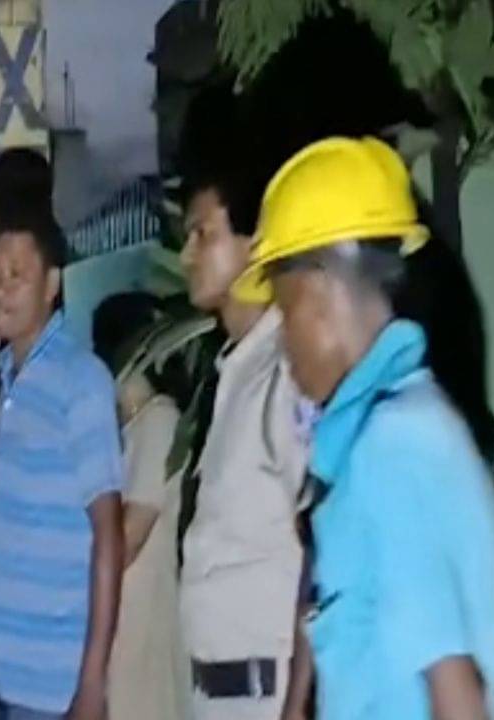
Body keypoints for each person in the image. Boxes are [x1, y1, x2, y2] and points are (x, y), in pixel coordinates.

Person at [233, 136, 494, 720]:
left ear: (319, 293)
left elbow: (455, 690)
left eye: (285, 312)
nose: (284, 343)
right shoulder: (398, 428)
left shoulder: (394, 445)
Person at [0, 207, 124, 720]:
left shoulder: (81, 380)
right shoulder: (7, 383)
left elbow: (109, 533)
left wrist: (92, 683)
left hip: (55, 692)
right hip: (0, 682)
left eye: (17, 275)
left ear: (52, 285)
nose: (0, 289)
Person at [178, 159, 308, 720]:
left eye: (202, 234)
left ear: (254, 242)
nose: (185, 255)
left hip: (268, 695)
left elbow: (322, 544)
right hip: (220, 694)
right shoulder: (235, 371)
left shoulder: (287, 372)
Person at [91, 294, 193, 720]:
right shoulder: (126, 430)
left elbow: (130, 535)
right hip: (123, 628)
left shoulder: (160, 420)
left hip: (147, 624)